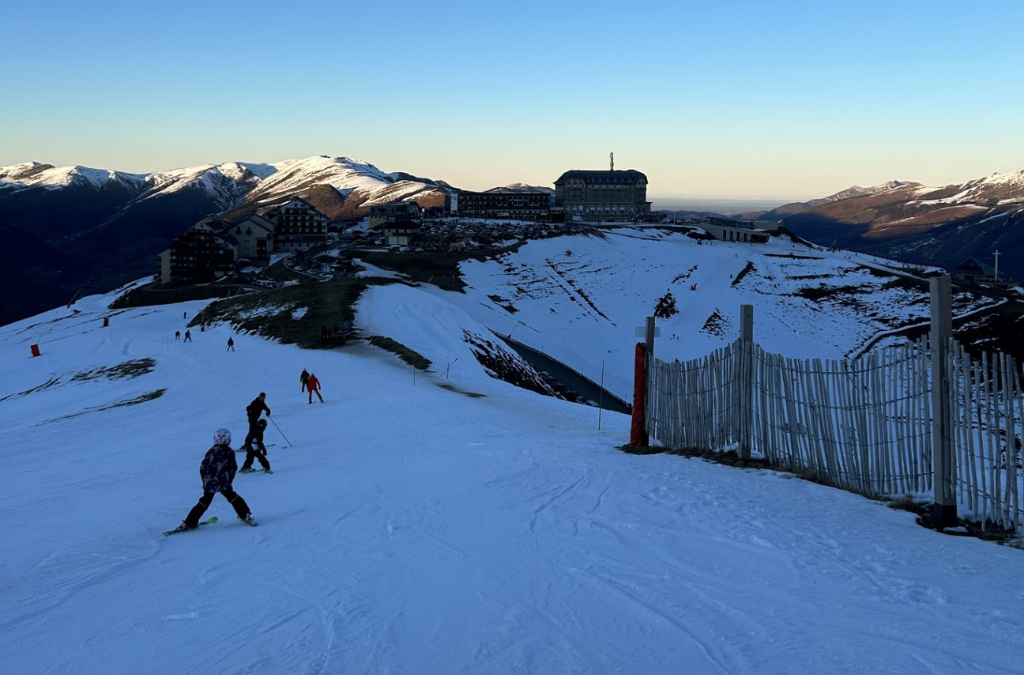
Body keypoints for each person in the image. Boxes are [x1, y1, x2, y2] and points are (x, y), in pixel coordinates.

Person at [171, 428, 256, 532]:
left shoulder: (211, 451)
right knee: (233, 497)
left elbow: (203, 467)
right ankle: (245, 515)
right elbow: (233, 467)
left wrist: (206, 481)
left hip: (210, 482)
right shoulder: (229, 452)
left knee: (204, 501)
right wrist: (229, 480)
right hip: (223, 481)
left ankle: (189, 522)